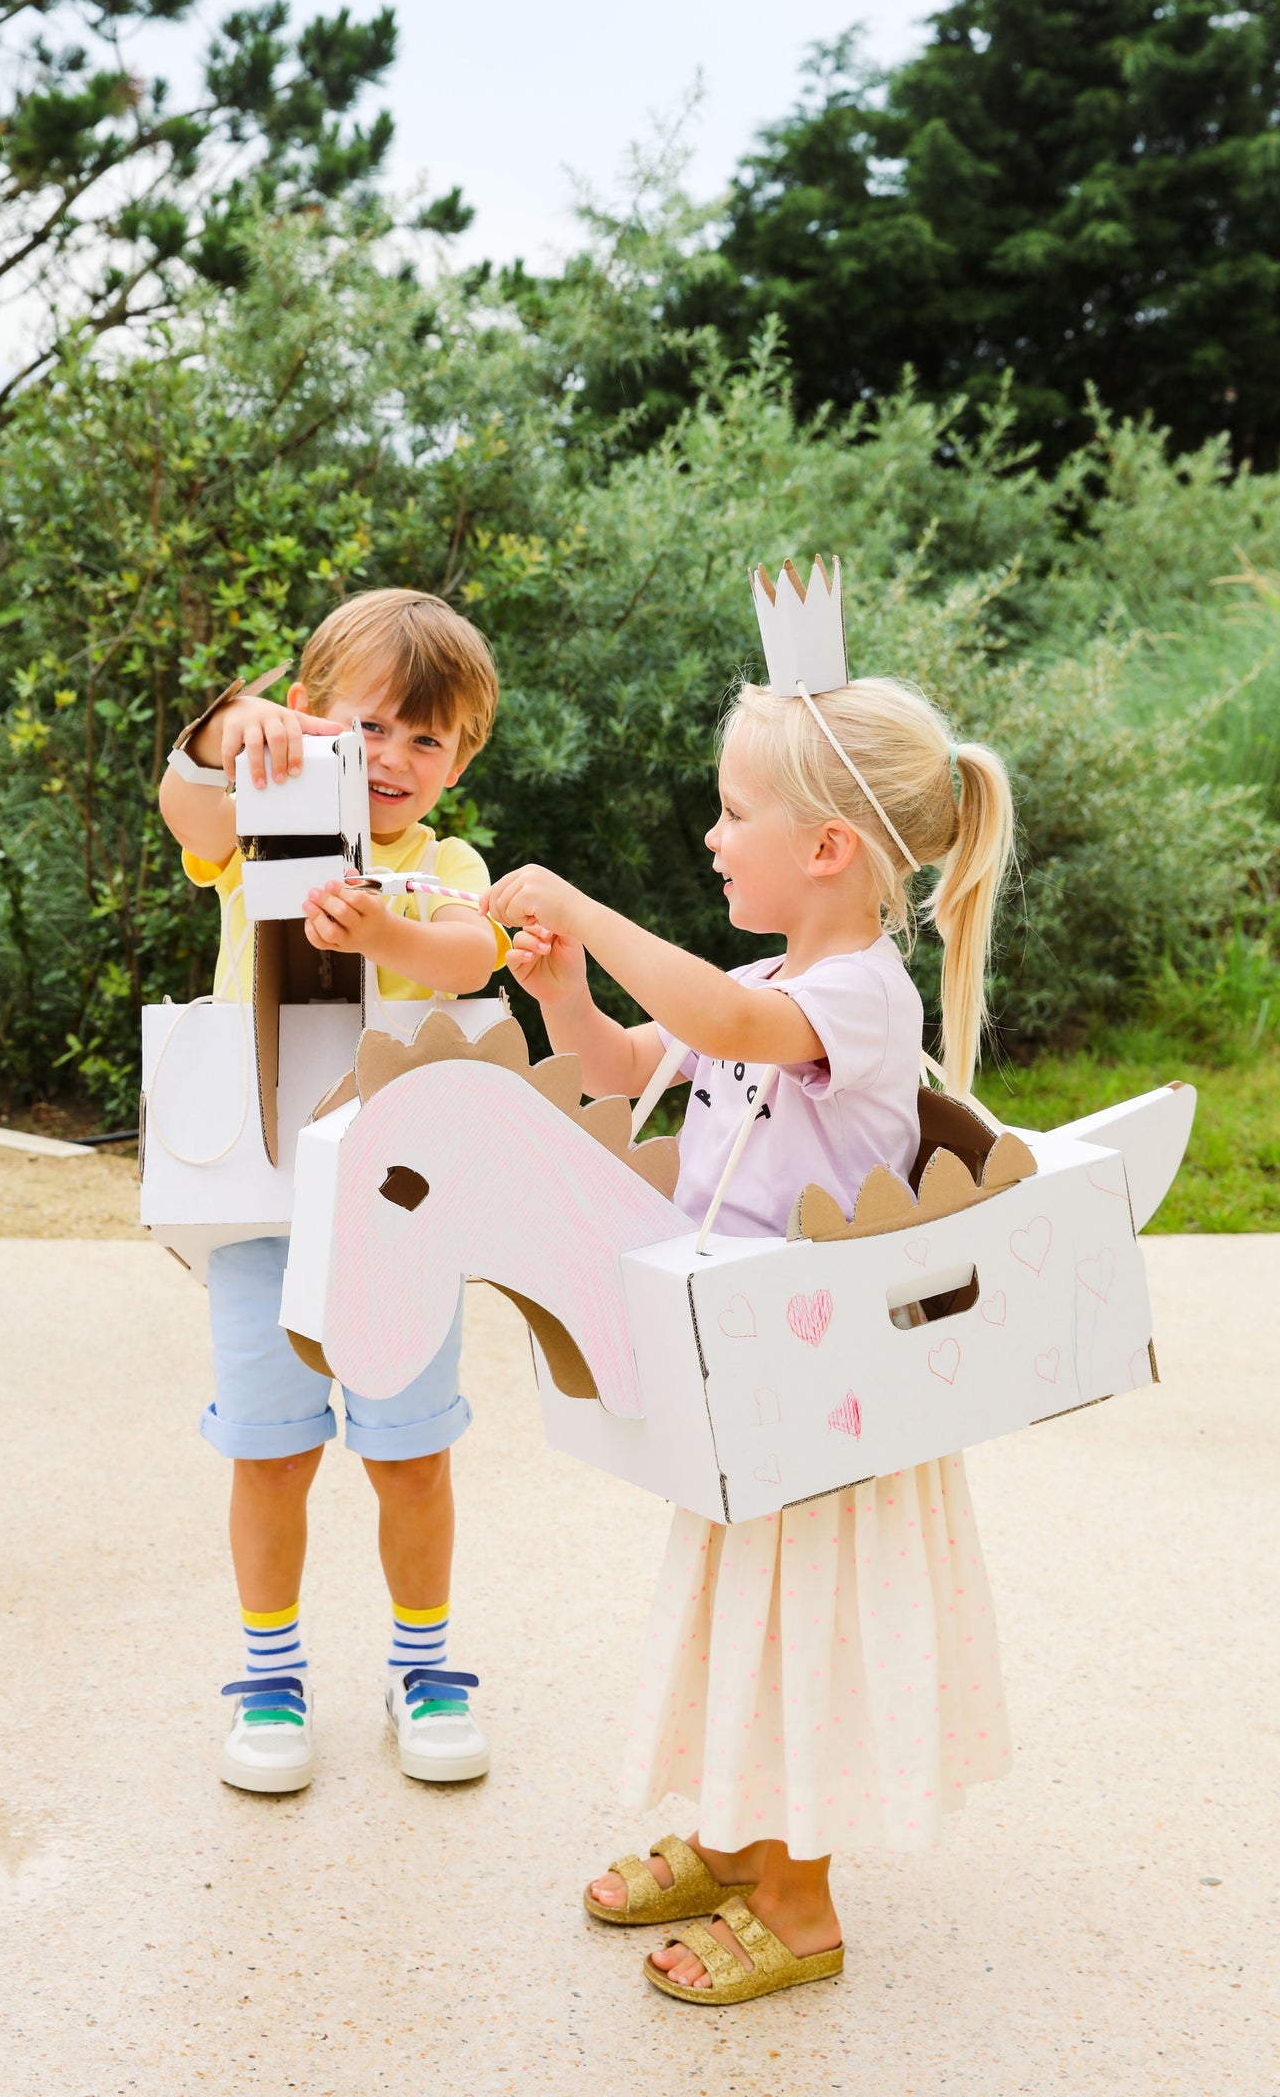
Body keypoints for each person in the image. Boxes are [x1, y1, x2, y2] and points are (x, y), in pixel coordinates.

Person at [489, 670, 1014, 2004]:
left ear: (826, 847)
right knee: (747, 1621)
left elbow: (729, 1033)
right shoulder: (762, 976)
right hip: (754, 1378)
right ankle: (735, 1842)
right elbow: (621, 1067)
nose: (712, 837)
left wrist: (584, 909)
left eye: (733, 812)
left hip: (830, 1400)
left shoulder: (858, 998)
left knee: (803, 1634)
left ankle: (798, 1903)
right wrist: (563, 992)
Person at [159, 588, 508, 1795]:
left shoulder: (445, 866)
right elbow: (182, 803)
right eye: (369, 727)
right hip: (260, 1203)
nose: (394, 757)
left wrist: (379, 931)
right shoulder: (261, 816)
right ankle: (269, 1679)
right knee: (269, 1452)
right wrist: (231, 730)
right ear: (309, 715)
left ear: (459, 759)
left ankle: (424, 1667)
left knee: (410, 1453)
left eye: (428, 737)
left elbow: (472, 951)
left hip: (401, 1211)